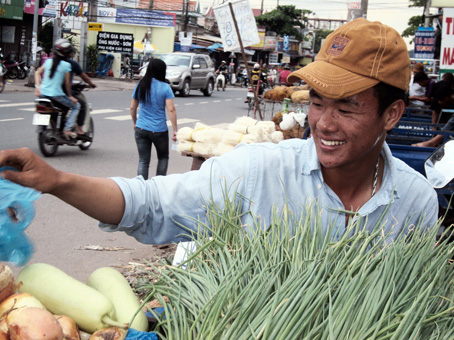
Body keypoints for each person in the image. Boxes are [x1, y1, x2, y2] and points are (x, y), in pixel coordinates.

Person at [0, 18, 438, 246]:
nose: (323, 123)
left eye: (347, 107)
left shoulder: (415, 200)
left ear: (392, 114)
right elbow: (151, 204)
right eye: (318, 102)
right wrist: (57, 181)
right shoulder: (257, 173)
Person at [130, 58, 177, 179]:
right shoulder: (165, 87)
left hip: (141, 128)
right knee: (163, 158)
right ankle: (158, 186)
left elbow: (132, 108)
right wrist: (175, 130)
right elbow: (171, 110)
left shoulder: (141, 85)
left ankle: (141, 188)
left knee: (143, 161)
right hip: (159, 130)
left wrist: (135, 123)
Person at [34, 39, 81, 139]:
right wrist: (70, 96)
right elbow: (68, 84)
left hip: (43, 95)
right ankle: (67, 129)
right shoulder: (66, 65)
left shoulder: (48, 61)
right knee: (77, 106)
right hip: (56, 96)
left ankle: (48, 127)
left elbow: (37, 73)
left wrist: (38, 87)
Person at [63, 46, 97, 137]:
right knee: (80, 105)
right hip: (61, 93)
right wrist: (91, 84)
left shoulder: (50, 62)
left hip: (47, 94)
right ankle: (79, 129)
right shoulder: (69, 64)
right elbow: (68, 83)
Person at [413, 81, 454, 148]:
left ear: (446, 97)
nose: (439, 102)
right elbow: (435, 111)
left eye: (441, 100)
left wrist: (431, 142)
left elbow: (451, 124)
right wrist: (433, 127)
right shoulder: (437, 99)